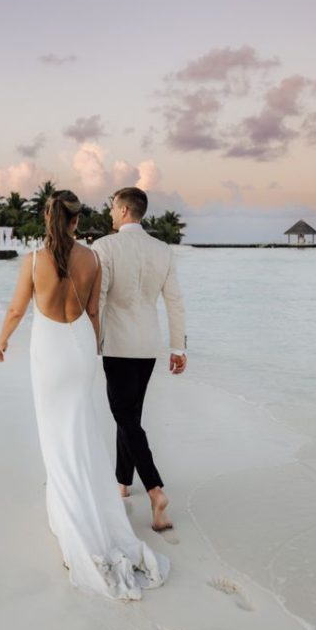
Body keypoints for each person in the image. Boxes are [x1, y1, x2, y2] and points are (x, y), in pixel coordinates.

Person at [0, 190, 169, 600]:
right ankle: (93, 505)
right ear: (76, 221)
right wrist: (93, 349)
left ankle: (71, 517)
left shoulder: (34, 261)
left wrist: (1, 341)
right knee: (81, 428)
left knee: (56, 434)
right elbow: (94, 312)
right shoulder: (92, 258)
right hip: (81, 349)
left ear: (46, 217)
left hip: (50, 353)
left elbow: (17, 311)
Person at [92, 187, 187, 533]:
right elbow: (174, 301)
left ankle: (155, 490)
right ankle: (122, 482)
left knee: (125, 417)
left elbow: (98, 300)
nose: (110, 214)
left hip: (117, 345)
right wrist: (179, 348)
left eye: (113, 208)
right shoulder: (162, 250)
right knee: (131, 415)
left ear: (124, 210)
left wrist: (91, 343)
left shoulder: (104, 247)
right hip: (148, 345)